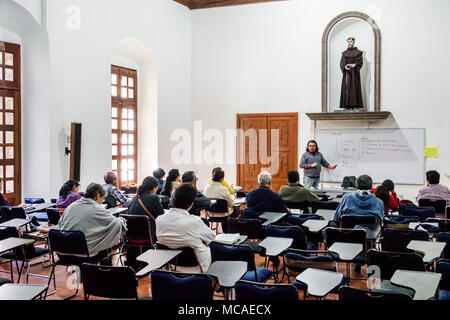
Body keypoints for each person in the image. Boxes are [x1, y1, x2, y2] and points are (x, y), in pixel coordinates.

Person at [58, 183, 127, 262]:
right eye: (102, 198)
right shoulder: (97, 208)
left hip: (62, 251)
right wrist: (122, 220)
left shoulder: (71, 206)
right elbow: (116, 224)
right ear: (97, 196)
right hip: (83, 254)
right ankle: (105, 271)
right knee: (105, 245)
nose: (102, 202)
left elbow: (60, 224)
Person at [156, 183, 216, 272]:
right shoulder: (195, 221)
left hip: (172, 266)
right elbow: (212, 238)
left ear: (172, 201)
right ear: (191, 204)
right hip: (197, 268)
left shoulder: (159, 220)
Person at [126, 176, 165, 270]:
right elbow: (162, 216)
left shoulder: (134, 199)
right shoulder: (154, 198)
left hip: (131, 237)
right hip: (149, 236)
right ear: (154, 188)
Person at [340, 37, 364, 109]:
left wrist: (355, 65)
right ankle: (346, 106)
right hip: (347, 74)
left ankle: (356, 106)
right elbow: (342, 62)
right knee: (347, 88)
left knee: (355, 88)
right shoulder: (344, 53)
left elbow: (360, 62)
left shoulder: (358, 53)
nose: (350, 43)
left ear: (354, 42)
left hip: (355, 73)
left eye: (351, 41)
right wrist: (344, 66)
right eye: (348, 41)